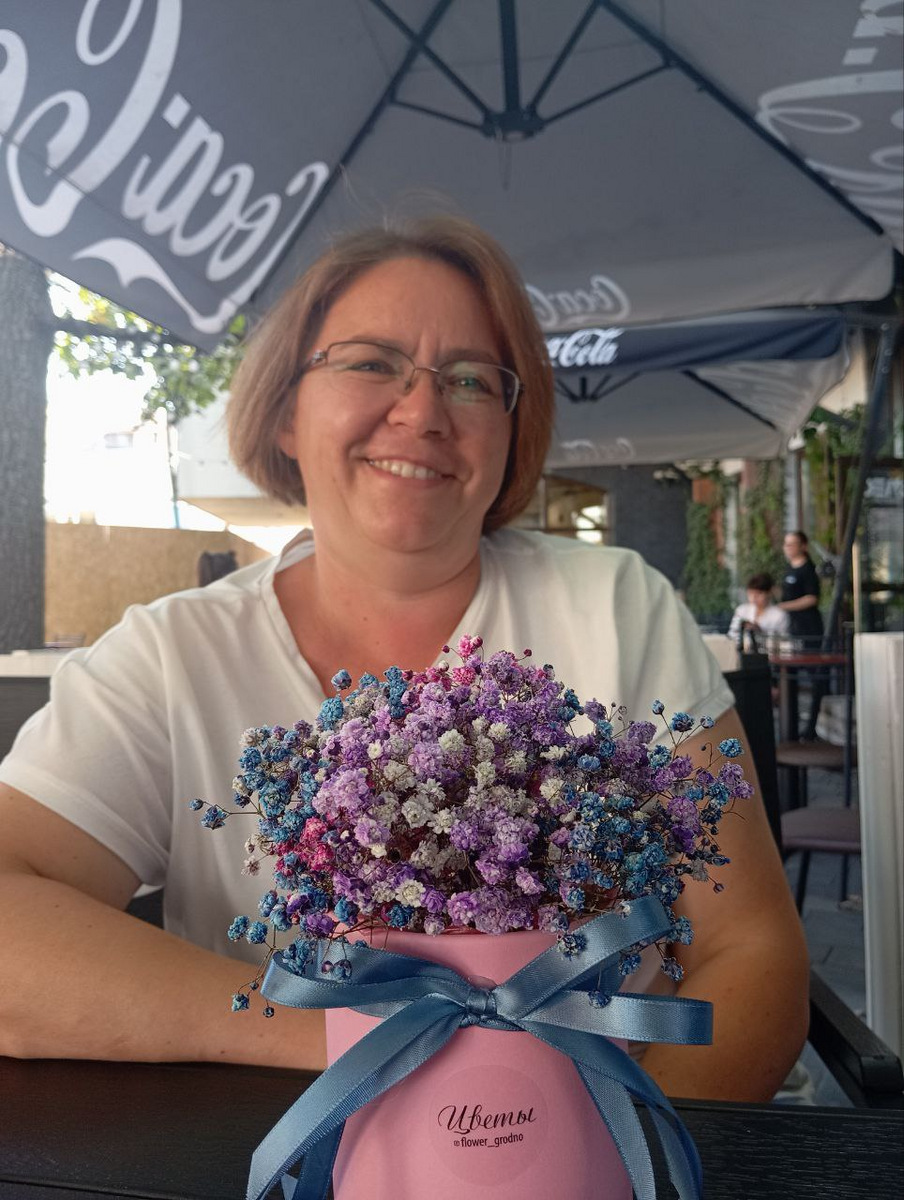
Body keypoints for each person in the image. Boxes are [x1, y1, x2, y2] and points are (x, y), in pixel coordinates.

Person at [0, 216, 808, 1102]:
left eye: (471, 379)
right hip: (276, 1151)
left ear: (512, 432)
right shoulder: (171, 655)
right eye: (370, 363)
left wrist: (618, 1147)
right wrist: (353, 1038)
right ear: (284, 412)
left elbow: (750, 948)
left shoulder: (614, 605)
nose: (422, 412)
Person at [777, 530, 827, 740]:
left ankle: (812, 726)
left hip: (809, 628)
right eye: (786, 544)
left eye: (792, 544)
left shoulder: (808, 569)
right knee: (789, 675)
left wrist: (784, 606)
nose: (787, 548)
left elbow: (812, 598)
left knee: (816, 676)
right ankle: (792, 728)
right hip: (792, 629)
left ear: (803, 546)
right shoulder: (789, 568)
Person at [727, 572, 791, 649]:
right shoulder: (742, 611)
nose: (754, 597)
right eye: (751, 593)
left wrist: (759, 631)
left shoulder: (779, 615)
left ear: (769, 593)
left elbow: (784, 642)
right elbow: (732, 635)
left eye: (759, 593)